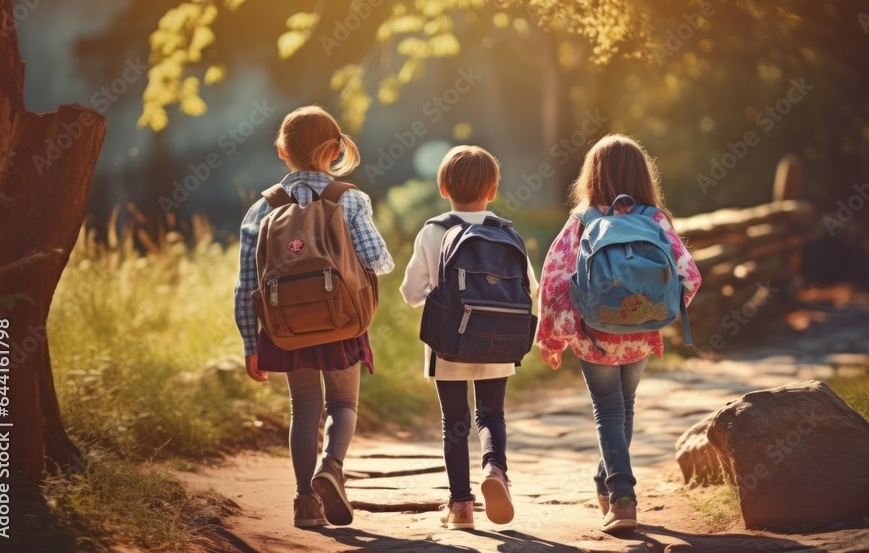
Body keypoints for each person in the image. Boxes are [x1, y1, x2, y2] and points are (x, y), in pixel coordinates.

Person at [234, 105, 394, 528]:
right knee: (343, 403)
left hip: (285, 328)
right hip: (342, 319)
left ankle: (305, 501)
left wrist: (252, 343)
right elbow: (379, 261)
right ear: (336, 150)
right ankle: (333, 467)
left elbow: (245, 285)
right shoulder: (351, 198)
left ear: (283, 151)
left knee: (303, 407)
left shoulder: (263, 207)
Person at [536, 134, 701, 533]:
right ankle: (607, 485)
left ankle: (622, 498)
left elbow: (553, 282)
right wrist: (655, 313)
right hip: (643, 332)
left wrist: (553, 338)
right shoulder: (656, 219)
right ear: (643, 175)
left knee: (608, 409)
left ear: (591, 176)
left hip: (594, 335)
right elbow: (690, 276)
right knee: (623, 408)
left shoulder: (583, 220)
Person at [400, 146, 538, 530]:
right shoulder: (505, 231)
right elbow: (532, 289)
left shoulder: (433, 230)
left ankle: (461, 507)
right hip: (500, 344)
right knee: (491, 414)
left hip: (449, 346)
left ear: (443, 187)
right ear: (493, 189)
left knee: (454, 421)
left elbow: (412, 293)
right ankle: (495, 469)